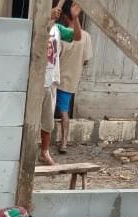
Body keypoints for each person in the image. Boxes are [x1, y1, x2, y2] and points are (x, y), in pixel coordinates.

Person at [40, 0, 82, 166]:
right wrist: (45, 17)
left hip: (51, 80)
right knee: (29, 120)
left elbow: (77, 37)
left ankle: (44, 152)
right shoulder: (35, 24)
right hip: (35, 81)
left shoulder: (57, 29)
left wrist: (76, 18)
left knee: (47, 121)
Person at [56, 2, 92, 154]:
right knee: (64, 110)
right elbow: (86, 59)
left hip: (56, 76)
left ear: (64, 16)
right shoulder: (86, 37)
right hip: (71, 79)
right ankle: (64, 142)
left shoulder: (60, 34)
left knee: (51, 108)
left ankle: (54, 141)